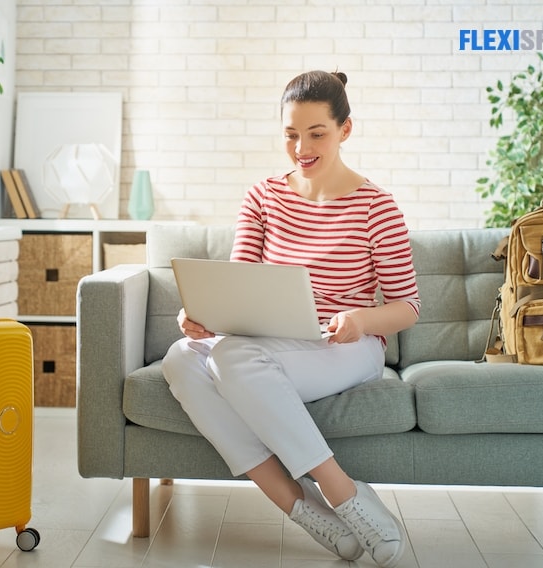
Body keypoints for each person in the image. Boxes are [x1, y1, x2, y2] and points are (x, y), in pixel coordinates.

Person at [162, 70, 420, 568]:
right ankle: (300, 506)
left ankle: (343, 494)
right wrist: (201, 317)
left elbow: (407, 307)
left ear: (345, 130)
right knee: (180, 360)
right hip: (265, 341)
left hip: (346, 346)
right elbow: (237, 284)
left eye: (316, 133)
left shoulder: (377, 207)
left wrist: (361, 321)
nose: (301, 146)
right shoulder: (263, 197)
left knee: (235, 357)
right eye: (290, 133)